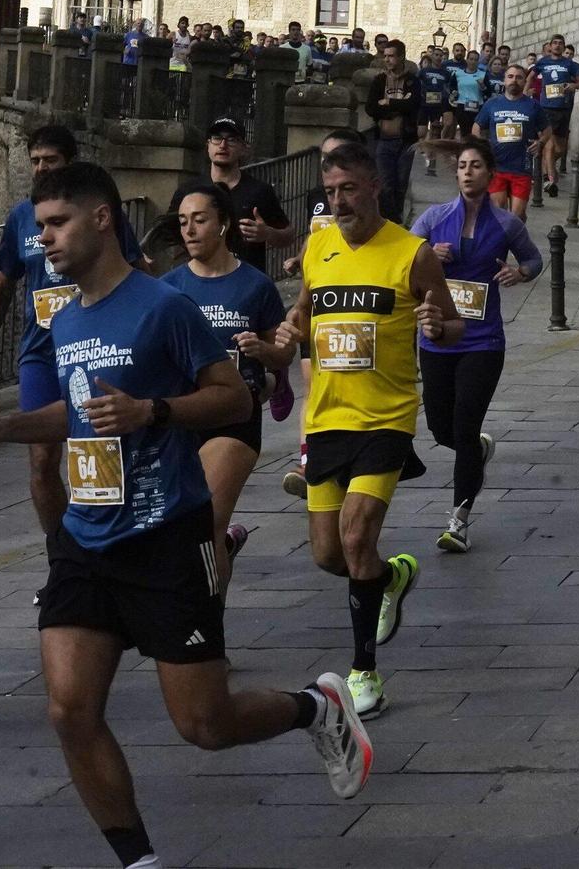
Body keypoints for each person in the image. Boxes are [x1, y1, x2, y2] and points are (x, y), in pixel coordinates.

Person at [0, 166, 372, 869]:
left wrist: (153, 412)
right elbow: (78, 412)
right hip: (87, 537)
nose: (42, 238)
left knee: (205, 724)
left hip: (169, 536)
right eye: (39, 225)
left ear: (103, 219)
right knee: (69, 709)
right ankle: (139, 860)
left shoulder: (163, 305)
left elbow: (234, 399)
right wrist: (4, 426)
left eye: (56, 223)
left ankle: (314, 706)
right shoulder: (66, 316)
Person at [274, 145, 463, 719]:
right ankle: (392, 575)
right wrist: (289, 328)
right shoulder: (319, 247)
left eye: (348, 189)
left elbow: (452, 322)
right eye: (330, 193)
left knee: (356, 538)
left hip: (385, 418)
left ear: (375, 186)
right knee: (330, 556)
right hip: (327, 417)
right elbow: (306, 310)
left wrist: (438, 324)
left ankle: (364, 674)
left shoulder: (412, 254)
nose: (338, 202)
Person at [0, 125, 148, 550]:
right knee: (41, 459)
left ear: (69, 163)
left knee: (98, 445)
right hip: (40, 353)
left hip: (95, 345)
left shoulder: (95, 214)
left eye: (49, 161)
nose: (40, 168)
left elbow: (133, 267)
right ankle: (61, 555)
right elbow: (1, 287)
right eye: (34, 161)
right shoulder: (21, 218)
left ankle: (112, 539)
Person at [409, 139, 542, 553]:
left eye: (476, 166)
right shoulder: (433, 218)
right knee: (439, 427)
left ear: (489, 174)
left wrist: (518, 273)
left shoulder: (506, 224)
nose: (468, 172)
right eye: (462, 166)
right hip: (435, 338)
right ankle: (477, 449)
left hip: (483, 340)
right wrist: (429, 253)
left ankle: (458, 520)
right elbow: (402, 261)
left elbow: (535, 260)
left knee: (464, 428)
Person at [161, 184, 293, 586]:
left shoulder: (255, 286)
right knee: (181, 529)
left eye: (200, 220)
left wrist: (262, 350)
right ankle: (222, 558)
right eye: (183, 222)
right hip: (182, 416)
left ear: (223, 225)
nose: (190, 230)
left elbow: (281, 356)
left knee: (207, 522)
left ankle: (206, 630)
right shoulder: (168, 288)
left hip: (236, 414)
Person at [280, 128, 369, 499]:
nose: (336, 196)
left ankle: (354, 457)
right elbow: (313, 239)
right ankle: (308, 459)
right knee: (313, 386)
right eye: (325, 159)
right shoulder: (318, 198)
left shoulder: (371, 199)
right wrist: (298, 259)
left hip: (355, 305)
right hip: (318, 303)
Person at [187, 118, 293, 273]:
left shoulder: (260, 191)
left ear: (244, 148)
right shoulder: (190, 190)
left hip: (247, 283)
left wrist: (267, 233)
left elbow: (288, 235)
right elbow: (169, 234)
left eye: (231, 140)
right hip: (200, 282)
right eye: (217, 138)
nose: (223, 145)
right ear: (208, 145)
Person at [474, 64, 545, 222]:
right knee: (498, 212)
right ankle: (501, 245)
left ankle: (517, 236)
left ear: (525, 81)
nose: (514, 80)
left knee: (516, 216)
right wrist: (481, 148)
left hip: (522, 168)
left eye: (519, 77)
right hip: (497, 167)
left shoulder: (533, 106)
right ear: (504, 80)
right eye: (511, 77)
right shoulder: (492, 104)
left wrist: (540, 143)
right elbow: (477, 127)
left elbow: (547, 130)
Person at [365, 39, 419, 224]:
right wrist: (398, 106)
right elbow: (371, 107)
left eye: (391, 56)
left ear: (401, 57)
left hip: (406, 141)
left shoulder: (412, 81)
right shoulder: (380, 81)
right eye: (385, 56)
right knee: (385, 185)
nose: (387, 60)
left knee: (400, 184)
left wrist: (389, 102)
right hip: (384, 140)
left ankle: (397, 222)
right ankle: (389, 222)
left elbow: (414, 105)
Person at [528, 35, 579, 198]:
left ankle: (543, 166)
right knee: (550, 146)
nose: (558, 46)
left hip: (564, 108)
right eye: (555, 43)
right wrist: (526, 90)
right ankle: (550, 179)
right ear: (550, 46)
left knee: (560, 149)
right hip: (546, 108)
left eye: (561, 44)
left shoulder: (571, 65)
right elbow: (531, 76)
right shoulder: (543, 62)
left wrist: (572, 85)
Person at [415, 50, 454, 174]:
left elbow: (450, 86)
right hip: (424, 104)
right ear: (432, 56)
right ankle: (422, 152)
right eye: (436, 55)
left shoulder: (445, 73)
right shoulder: (424, 71)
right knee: (421, 132)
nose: (438, 57)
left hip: (437, 105)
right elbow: (416, 83)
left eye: (440, 56)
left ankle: (431, 165)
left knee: (435, 132)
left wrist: (446, 96)